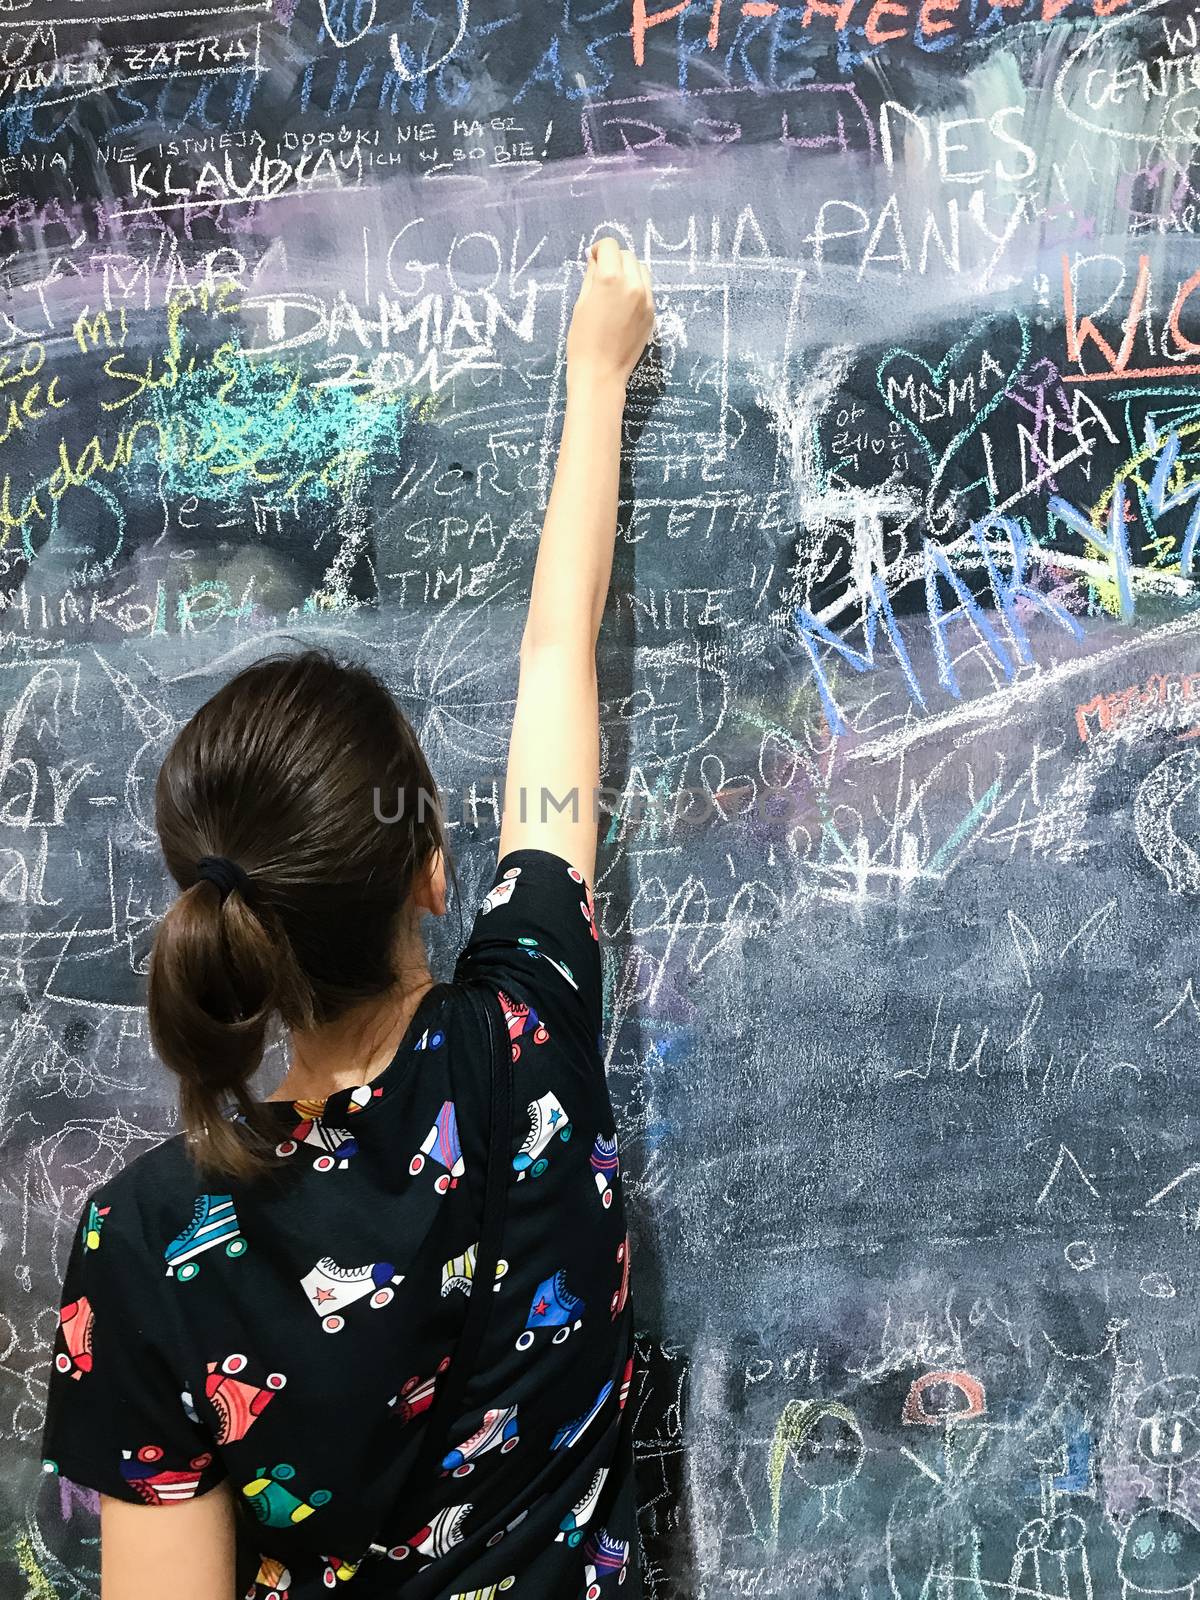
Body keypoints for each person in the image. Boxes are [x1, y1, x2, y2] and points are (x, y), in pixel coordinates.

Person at [40, 237, 655, 1600]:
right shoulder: (524, 1043)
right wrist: (596, 376)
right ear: (437, 873)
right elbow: (559, 663)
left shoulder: (143, 1242)